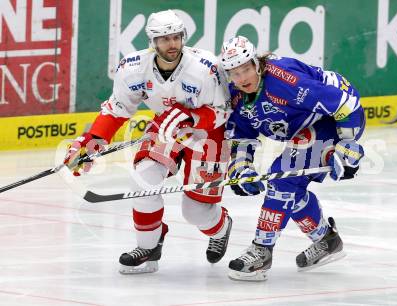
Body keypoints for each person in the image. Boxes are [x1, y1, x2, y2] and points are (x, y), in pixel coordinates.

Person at [64, 10, 233, 274]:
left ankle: (221, 226)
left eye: (176, 37)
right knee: (143, 179)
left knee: (195, 212)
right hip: (166, 126)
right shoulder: (132, 68)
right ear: (152, 42)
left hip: (207, 134)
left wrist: (191, 116)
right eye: (165, 39)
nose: (172, 44)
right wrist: (93, 139)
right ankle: (149, 248)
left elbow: (224, 110)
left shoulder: (205, 67)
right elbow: (118, 107)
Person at [220, 36, 365, 281]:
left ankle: (261, 250)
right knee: (291, 189)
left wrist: (347, 144)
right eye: (234, 73)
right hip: (303, 127)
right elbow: (241, 138)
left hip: (330, 119)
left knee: (282, 181)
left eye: (245, 69)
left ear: (256, 64)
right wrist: (241, 169)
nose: (242, 78)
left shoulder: (284, 82)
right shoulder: (236, 94)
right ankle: (326, 240)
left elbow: (345, 103)